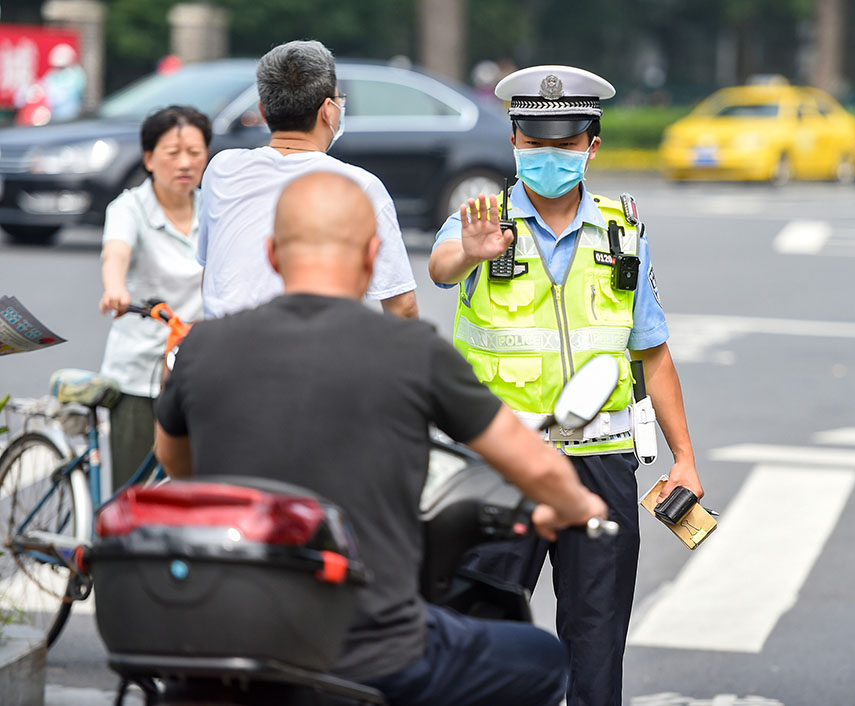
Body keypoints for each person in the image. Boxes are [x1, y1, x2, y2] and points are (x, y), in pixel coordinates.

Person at [153, 171, 609, 706]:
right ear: (372, 257)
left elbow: (176, 464)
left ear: (273, 254)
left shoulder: (203, 347)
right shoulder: (412, 350)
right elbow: (536, 466)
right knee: (541, 660)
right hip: (371, 652)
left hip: (227, 640)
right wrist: (576, 505)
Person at [427, 65, 705, 706]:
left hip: (601, 464)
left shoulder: (622, 230)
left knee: (596, 644)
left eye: (563, 144)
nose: (547, 156)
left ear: (591, 146)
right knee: (478, 638)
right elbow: (441, 269)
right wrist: (468, 251)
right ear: (515, 142)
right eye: (534, 143)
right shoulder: (480, 221)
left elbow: (654, 354)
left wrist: (684, 457)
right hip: (500, 466)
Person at [197, 39, 418, 320]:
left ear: (263, 112)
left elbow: (210, 269)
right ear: (329, 110)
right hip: (315, 353)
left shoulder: (222, 169)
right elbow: (401, 305)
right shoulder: (358, 186)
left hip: (223, 347)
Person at [98, 105, 210, 490]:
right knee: (133, 488)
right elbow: (116, 251)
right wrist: (115, 289)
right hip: (139, 371)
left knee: (197, 483)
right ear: (148, 158)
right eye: (172, 153)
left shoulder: (215, 209)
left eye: (195, 153)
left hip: (197, 366)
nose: (185, 163)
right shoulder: (129, 208)